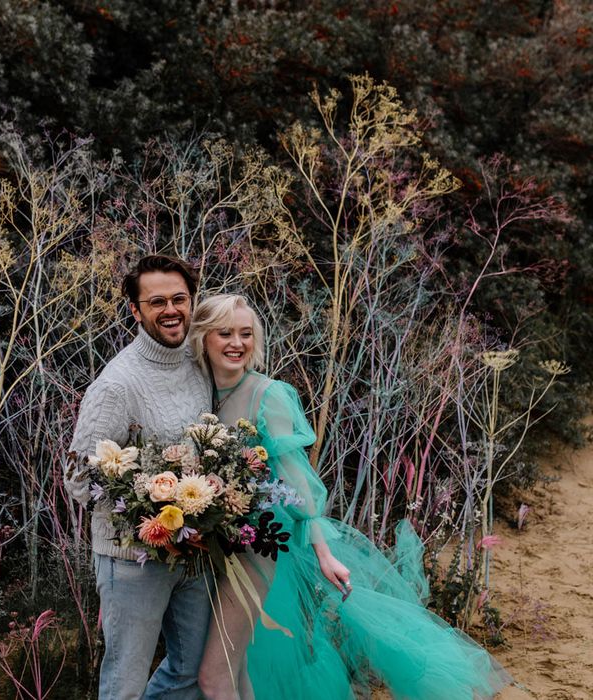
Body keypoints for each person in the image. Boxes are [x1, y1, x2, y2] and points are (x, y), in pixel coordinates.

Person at [189, 294, 511, 700]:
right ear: (203, 338)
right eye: (225, 333)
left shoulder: (267, 396)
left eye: (245, 334)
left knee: (215, 675)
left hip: (257, 548)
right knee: (242, 670)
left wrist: (324, 553)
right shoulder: (198, 394)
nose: (237, 343)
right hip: (209, 545)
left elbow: (298, 485)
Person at [64, 254, 213, 700]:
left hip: (193, 551)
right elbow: (77, 477)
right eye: (157, 302)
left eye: (179, 298)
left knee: (189, 671)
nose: (171, 310)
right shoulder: (117, 385)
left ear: (192, 301)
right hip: (131, 560)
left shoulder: (197, 360)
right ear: (136, 310)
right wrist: (145, 515)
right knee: (125, 683)